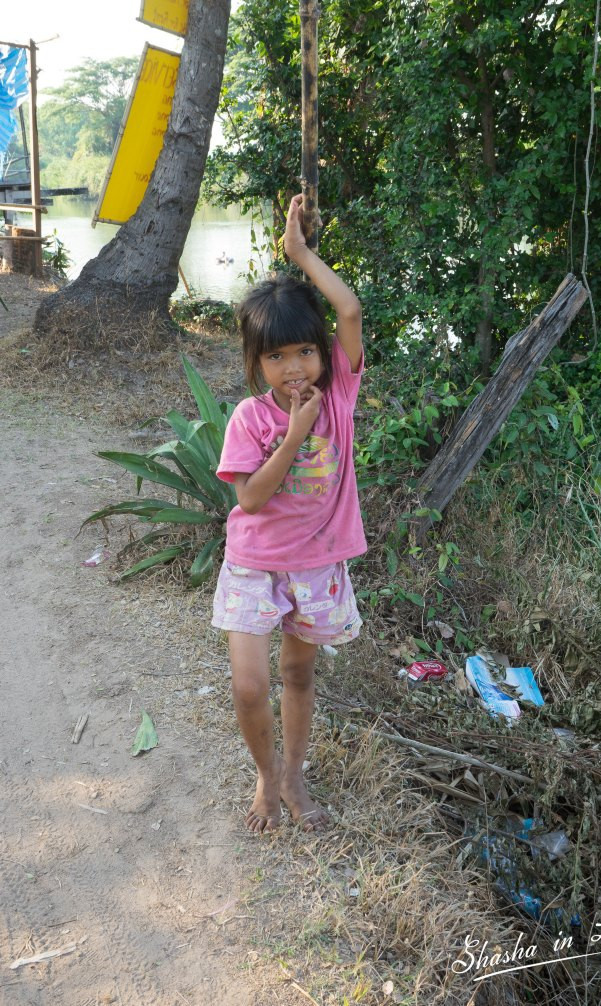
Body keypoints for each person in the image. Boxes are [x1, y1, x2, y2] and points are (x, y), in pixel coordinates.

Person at [211, 193, 367, 834]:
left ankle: (293, 775)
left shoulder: (339, 397)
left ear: (324, 355)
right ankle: (264, 772)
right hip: (253, 564)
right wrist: (294, 437)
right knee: (250, 687)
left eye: (304, 352)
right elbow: (250, 498)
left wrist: (300, 254)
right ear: (257, 365)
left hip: (315, 562)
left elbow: (350, 309)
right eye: (275, 358)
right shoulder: (251, 418)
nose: (292, 368)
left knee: (298, 672)